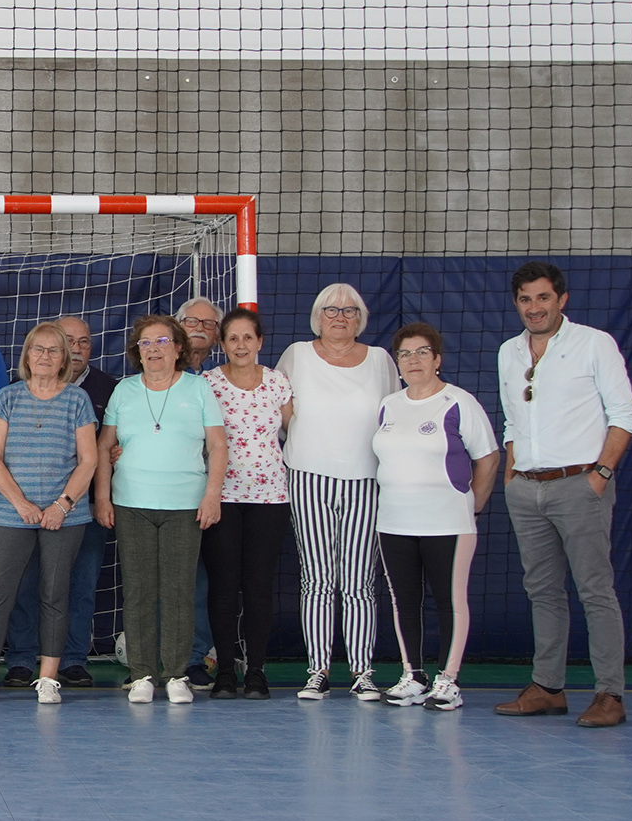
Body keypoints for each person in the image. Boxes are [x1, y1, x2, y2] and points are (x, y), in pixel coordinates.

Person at [494, 261, 632, 728]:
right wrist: (512, 476)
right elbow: (513, 420)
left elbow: (625, 414)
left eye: (542, 298)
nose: (534, 308)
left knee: (595, 589)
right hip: (527, 490)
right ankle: (548, 688)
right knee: (542, 591)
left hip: (581, 485)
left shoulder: (594, 344)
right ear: (516, 303)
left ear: (562, 300)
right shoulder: (508, 353)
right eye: (525, 299)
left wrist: (600, 474)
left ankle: (609, 694)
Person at [0, 323, 97, 706]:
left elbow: (88, 460)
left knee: (54, 595)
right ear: (27, 355)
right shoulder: (7, 397)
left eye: (53, 350)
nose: (45, 357)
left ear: (64, 358)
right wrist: (19, 503)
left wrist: (61, 506)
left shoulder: (77, 401)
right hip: (11, 514)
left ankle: (49, 679)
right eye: (38, 349)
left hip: (64, 517)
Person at [276, 283, 400, 703]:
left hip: (367, 480)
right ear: (317, 316)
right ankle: (318, 671)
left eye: (349, 311)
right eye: (331, 310)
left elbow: (394, 417)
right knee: (317, 579)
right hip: (308, 478)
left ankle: (363, 672)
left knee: (359, 581)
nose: (340, 317)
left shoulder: (382, 360)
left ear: (360, 318)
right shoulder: (296, 355)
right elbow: (281, 414)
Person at [93, 316, 226, 705]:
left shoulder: (199, 389)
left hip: (184, 505)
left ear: (178, 348)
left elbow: (218, 446)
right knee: (137, 591)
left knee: (178, 592)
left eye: (162, 340)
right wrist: (103, 497)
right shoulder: (124, 390)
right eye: (145, 343)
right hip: (132, 503)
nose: (153, 349)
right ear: (137, 351)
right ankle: (141, 676)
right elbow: (104, 446)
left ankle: (176, 675)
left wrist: (212, 495)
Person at [373, 323, 500, 711]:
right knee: (404, 601)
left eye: (422, 352)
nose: (413, 360)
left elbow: (489, 456)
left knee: (449, 599)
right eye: (406, 354)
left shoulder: (458, 403)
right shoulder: (388, 406)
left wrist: (471, 505)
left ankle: (448, 681)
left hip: (448, 522)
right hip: (393, 522)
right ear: (397, 363)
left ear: (437, 359)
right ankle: (413, 675)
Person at [2, 314, 116, 690]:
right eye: (69, 340)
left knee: (78, 585)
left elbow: (106, 447)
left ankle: (71, 659)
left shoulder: (104, 388)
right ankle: (20, 659)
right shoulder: (14, 394)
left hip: (81, 508)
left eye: (83, 341)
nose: (76, 347)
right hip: (25, 508)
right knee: (25, 584)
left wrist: (75, 500)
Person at [200, 307, 292, 700]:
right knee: (223, 587)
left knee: (257, 587)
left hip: (270, 498)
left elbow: (295, 431)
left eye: (247, 338)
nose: (240, 345)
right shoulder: (208, 384)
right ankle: (224, 672)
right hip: (221, 497)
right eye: (233, 338)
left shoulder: (277, 383)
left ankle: (256, 671)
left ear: (259, 342)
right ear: (222, 344)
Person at [175, 296, 225, 688]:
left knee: (203, 580)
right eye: (192, 320)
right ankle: (160, 658)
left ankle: (196, 656)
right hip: (163, 493)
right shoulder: (149, 373)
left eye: (209, 324)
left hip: (214, 494)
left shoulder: (220, 379)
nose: (199, 328)